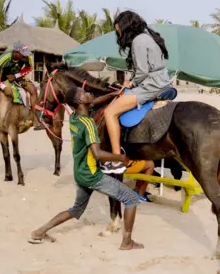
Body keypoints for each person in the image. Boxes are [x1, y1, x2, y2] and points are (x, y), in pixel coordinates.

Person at [28, 87, 143, 250]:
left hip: (79, 172)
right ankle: (127, 242)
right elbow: (97, 154)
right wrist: (120, 157)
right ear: (80, 102)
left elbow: (93, 101)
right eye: (85, 93)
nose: (89, 94)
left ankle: (39, 232)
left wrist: (112, 94)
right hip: (92, 175)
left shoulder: (74, 117)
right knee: (131, 199)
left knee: (75, 209)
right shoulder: (88, 123)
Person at [103, 11, 173, 173]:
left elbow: (142, 72)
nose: (118, 34)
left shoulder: (138, 41)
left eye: (118, 30)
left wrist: (130, 84)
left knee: (110, 112)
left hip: (151, 85)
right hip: (162, 81)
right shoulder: (148, 36)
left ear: (126, 27)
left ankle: (117, 160)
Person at [0, 42, 43, 130]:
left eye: (26, 54)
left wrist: (16, 76)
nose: (25, 56)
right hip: (3, 79)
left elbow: (29, 68)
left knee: (33, 90)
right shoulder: (4, 59)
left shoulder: (27, 56)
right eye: (23, 54)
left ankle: (35, 117)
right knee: (8, 94)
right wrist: (3, 87)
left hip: (17, 76)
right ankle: (0, 121)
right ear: (16, 52)